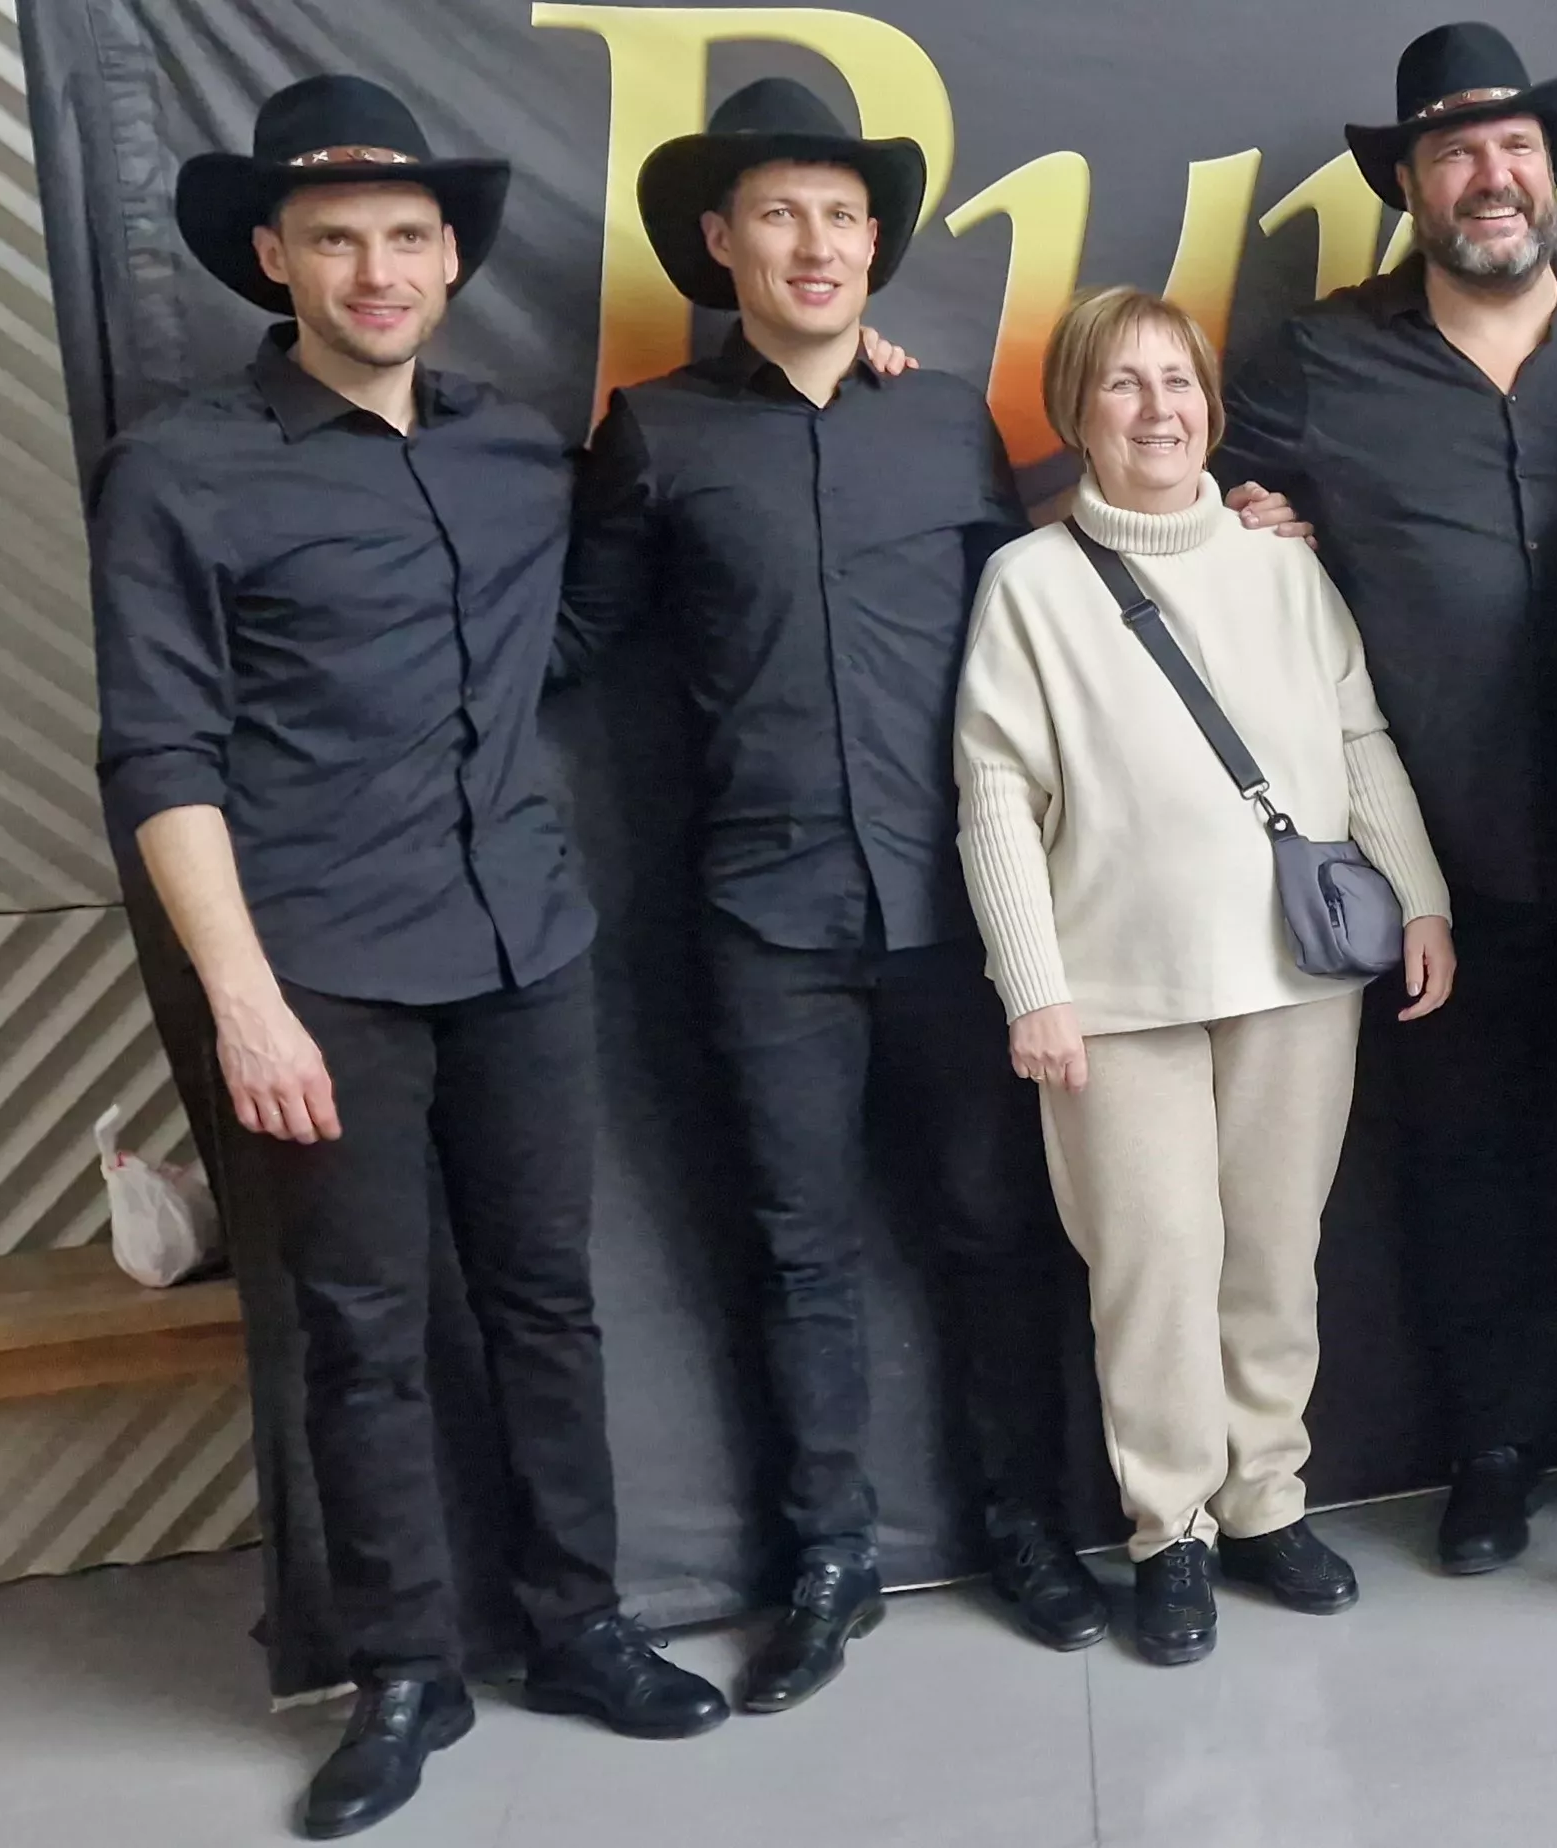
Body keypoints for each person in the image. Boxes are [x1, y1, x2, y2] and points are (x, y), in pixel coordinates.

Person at [92, 76, 725, 1840]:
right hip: (320, 977)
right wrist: (240, 999)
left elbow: (607, 593)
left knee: (547, 1301)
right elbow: (159, 752)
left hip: (526, 940)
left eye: (403, 237)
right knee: (360, 1330)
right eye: (334, 239)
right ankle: (399, 1667)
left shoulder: (517, 443)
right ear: (275, 262)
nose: (374, 268)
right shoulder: (178, 471)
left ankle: (577, 1620)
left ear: (447, 260)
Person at [560, 78, 1118, 1706]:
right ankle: (825, 1557)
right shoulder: (654, 432)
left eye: (841, 214)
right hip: (759, 919)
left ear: (875, 243)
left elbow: (1055, 617)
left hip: (963, 915)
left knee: (992, 1227)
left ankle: (1024, 1522)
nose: (813, 242)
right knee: (794, 1253)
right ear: (720, 242)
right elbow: (569, 639)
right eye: (778, 214)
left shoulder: (943, 420)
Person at [1218, 21, 1557, 1574]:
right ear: (1412, 184)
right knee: (1466, 1172)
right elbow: (1174, 498)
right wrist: (1242, 513)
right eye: (1454, 152)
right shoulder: (1315, 357)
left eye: (1513, 150)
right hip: (1435, 855)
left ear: (1550, 173)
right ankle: (1491, 1450)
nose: (1490, 176)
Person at [956, 287, 1458, 1666]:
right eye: (1122, 386)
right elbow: (995, 792)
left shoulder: (1282, 571)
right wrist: (1030, 984)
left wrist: (1418, 896)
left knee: (1274, 1254)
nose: (1157, 409)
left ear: (1211, 409)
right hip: (1114, 989)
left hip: (1297, 974)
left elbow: (1357, 741)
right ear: (1077, 416)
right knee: (1154, 1265)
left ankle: (1263, 1502)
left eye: (1176, 382)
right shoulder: (1031, 584)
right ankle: (1165, 1529)